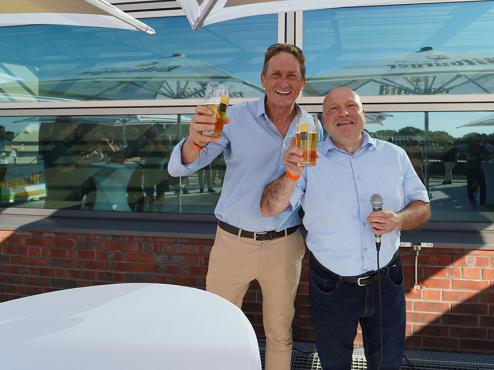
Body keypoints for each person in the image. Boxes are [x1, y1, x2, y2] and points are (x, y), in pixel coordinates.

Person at [260, 87, 431, 370]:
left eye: (351, 106)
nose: (344, 113)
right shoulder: (307, 161)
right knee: (334, 363)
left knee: (387, 363)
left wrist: (399, 219)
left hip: (386, 280)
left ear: (363, 113)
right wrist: (291, 173)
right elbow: (269, 208)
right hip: (331, 286)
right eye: (333, 109)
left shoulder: (394, 155)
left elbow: (422, 206)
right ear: (324, 121)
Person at [167, 44, 308, 370]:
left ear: (302, 82)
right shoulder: (235, 117)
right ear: (263, 79)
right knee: (219, 329)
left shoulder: (311, 128)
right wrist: (194, 141)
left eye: (292, 75)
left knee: (280, 334)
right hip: (233, 243)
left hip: (286, 245)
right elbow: (182, 167)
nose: (283, 81)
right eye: (276, 74)